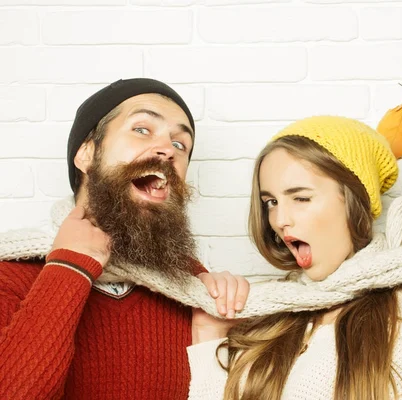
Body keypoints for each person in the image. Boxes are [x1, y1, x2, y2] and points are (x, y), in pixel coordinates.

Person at [187, 115, 402, 399]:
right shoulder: (270, 317)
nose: (280, 220)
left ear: (353, 202)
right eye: (271, 202)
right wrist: (209, 336)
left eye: (301, 198)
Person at [0, 78, 249, 399]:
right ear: (87, 153)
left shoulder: (191, 284)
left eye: (180, 144)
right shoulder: (12, 274)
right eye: (142, 129)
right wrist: (68, 268)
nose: (167, 149)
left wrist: (213, 336)